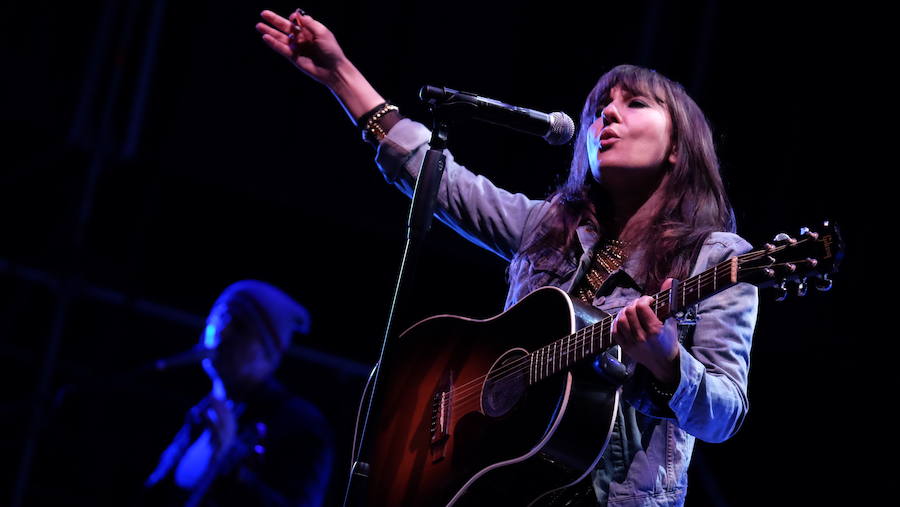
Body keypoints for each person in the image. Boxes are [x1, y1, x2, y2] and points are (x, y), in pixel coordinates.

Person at [256, 9, 757, 506]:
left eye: (636, 103)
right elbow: (439, 179)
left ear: (678, 147)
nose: (606, 114)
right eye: (600, 106)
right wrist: (340, 74)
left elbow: (725, 416)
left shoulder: (714, 258)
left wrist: (668, 361)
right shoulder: (548, 227)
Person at [141, 280, 334, 506]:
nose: (223, 331)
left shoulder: (300, 423)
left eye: (240, 325)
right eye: (220, 318)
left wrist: (230, 463)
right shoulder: (201, 414)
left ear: (268, 353)